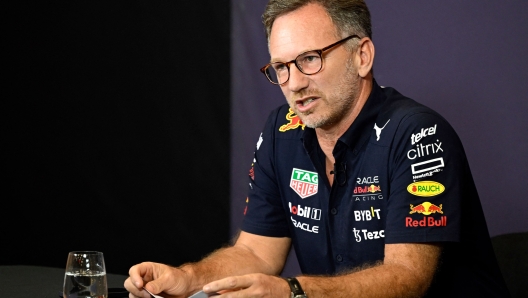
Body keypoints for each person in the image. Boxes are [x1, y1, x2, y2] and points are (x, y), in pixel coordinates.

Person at [125, 1, 510, 297]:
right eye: (281, 67)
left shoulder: (417, 135)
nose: (293, 83)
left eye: (309, 59)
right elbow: (257, 253)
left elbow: (406, 280)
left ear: (362, 56)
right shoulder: (281, 130)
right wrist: (190, 278)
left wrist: (293, 291)